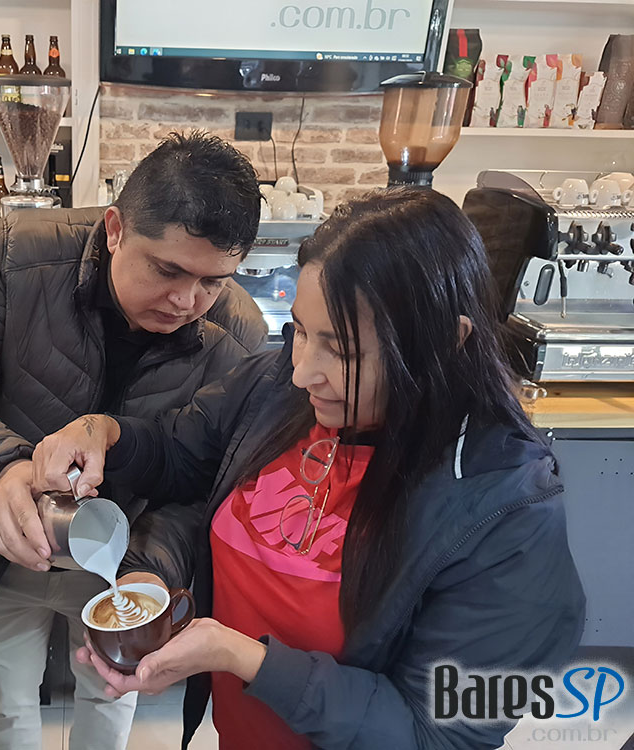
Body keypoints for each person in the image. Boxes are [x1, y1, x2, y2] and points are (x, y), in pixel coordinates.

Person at [31, 187, 587, 750]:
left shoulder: (506, 508)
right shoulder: (278, 390)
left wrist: (243, 658)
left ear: (446, 342)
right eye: (299, 331)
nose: (303, 371)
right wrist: (105, 432)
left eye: (342, 351)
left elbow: (436, 734)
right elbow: (183, 454)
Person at [0, 131, 268, 749]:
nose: (187, 301)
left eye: (214, 281)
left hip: (127, 555)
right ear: (115, 229)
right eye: (167, 270)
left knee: (110, 699)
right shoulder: (19, 255)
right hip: (1, 540)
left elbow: (208, 479)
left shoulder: (237, 334)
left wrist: (149, 573)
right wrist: (2, 471)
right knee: (4, 701)